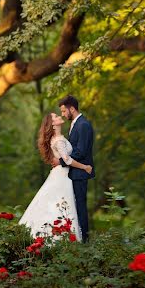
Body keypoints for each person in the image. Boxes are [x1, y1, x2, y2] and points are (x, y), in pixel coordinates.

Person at [19, 112, 93, 241]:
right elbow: (68, 160)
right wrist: (85, 167)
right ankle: (61, 237)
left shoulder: (58, 137)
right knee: (62, 204)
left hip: (61, 173)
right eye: (55, 117)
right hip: (63, 175)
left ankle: (61, 235)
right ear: (52, 124)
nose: (59, 116)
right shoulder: (58, 140)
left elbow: (65, 158)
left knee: (60, 204)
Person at [52, 95, 95, 243]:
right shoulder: (75, 124)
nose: (63, 114)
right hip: (74, 172)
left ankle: (85, 240)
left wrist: (61, 162)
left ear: (72, 108)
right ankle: (78, 237)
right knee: (75, 206)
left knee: (81, 206)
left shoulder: (83, 125)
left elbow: (81, 151)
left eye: (64, 111)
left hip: (80, 173)